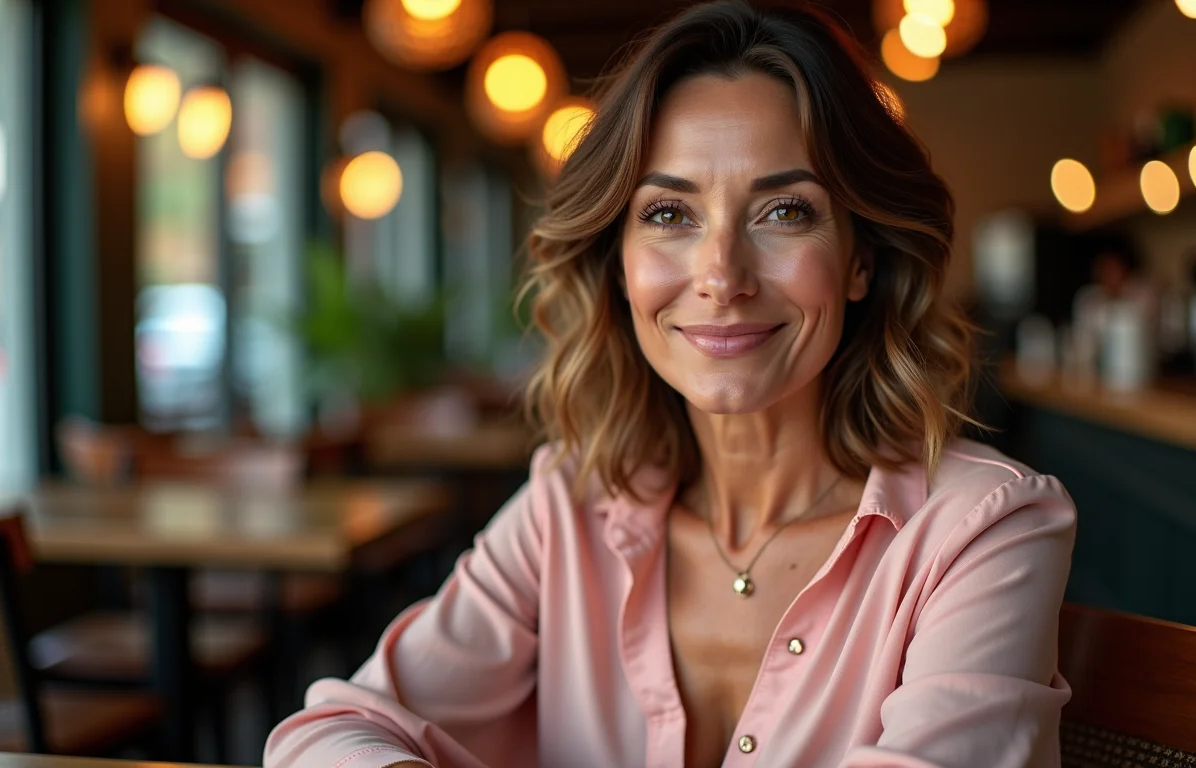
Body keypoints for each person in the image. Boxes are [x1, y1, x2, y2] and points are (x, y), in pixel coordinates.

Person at [264, 2, 1076, 766]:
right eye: (668, 215)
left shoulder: (982, 532)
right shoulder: (571, 508)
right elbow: (333, 731)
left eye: (785, 211)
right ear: (618, 266)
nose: (721, 276)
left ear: (860, 259)